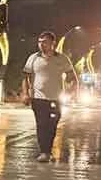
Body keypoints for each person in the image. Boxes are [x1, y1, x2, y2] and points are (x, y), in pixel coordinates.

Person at [22, 31, 75, 163]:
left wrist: (71, 91)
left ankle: (48, 150)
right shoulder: (33, 58)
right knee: (41, 124)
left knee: (52, 125)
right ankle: (44, 152)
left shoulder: (62, 59)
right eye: (40, 42)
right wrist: (25, 93)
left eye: (45, 42)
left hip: (55, 99)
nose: (41, 45)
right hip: (38, 99)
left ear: (53, 43)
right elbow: (26, 77)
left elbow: (72, 77)